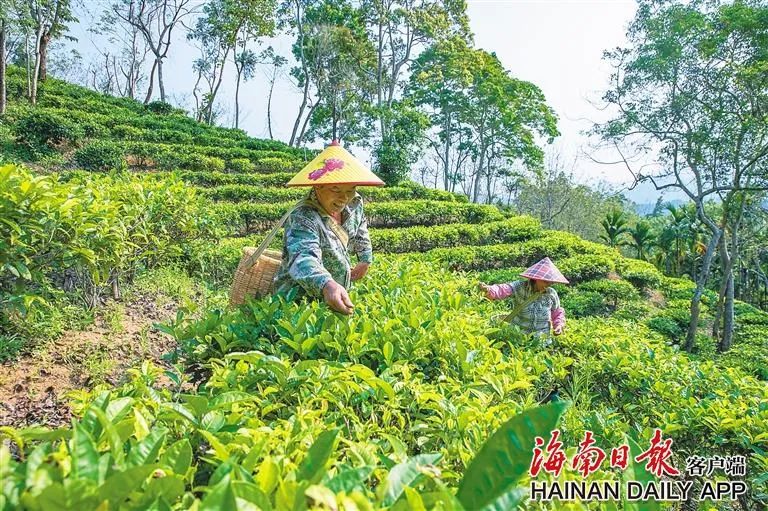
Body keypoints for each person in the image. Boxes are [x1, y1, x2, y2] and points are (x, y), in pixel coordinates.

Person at [271, 140, 385, 315]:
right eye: (335, 189)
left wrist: (365, 258)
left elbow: (361, 227)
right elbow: (303, 257)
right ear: (318, 187)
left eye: (349, 190)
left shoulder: (354, 203)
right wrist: (326, 284)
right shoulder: (303, 216)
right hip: (299, 303)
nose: (343, 198)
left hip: (336, 297)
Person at [478, 257, 569, 339]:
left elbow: (557, 313)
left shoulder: (551, 294)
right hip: (519, 337)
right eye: (546, 282)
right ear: (536, 279)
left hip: (542, 340)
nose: (548, 285)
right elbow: (503, 289)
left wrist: (558, 325)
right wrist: (489, 289)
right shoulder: (520, 286)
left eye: (551, 282)